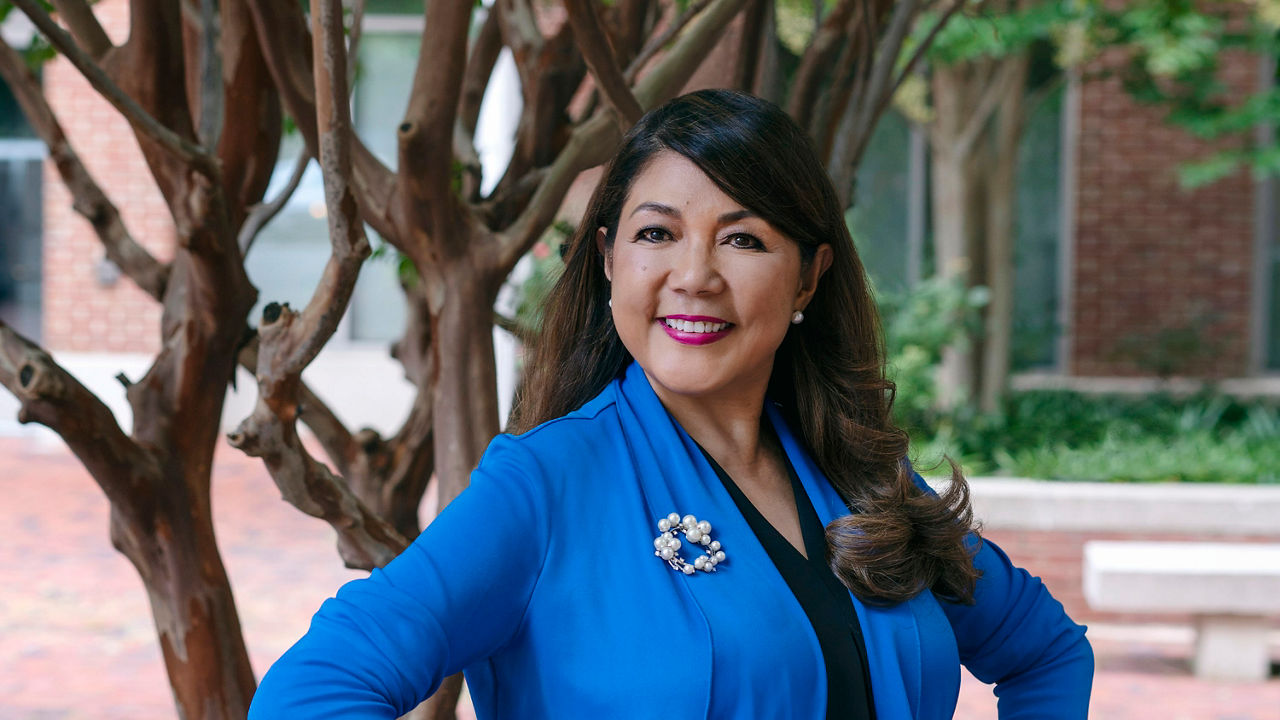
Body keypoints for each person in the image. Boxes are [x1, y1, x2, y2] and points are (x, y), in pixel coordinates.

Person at [248, 89, 1093, 719]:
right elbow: (318, 688)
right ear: (611, 260)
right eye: (657, 234)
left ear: (809, 276)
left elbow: (1048, 653)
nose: (694, 275)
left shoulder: (867, 479)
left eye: (743, 238)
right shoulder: (546, 485)